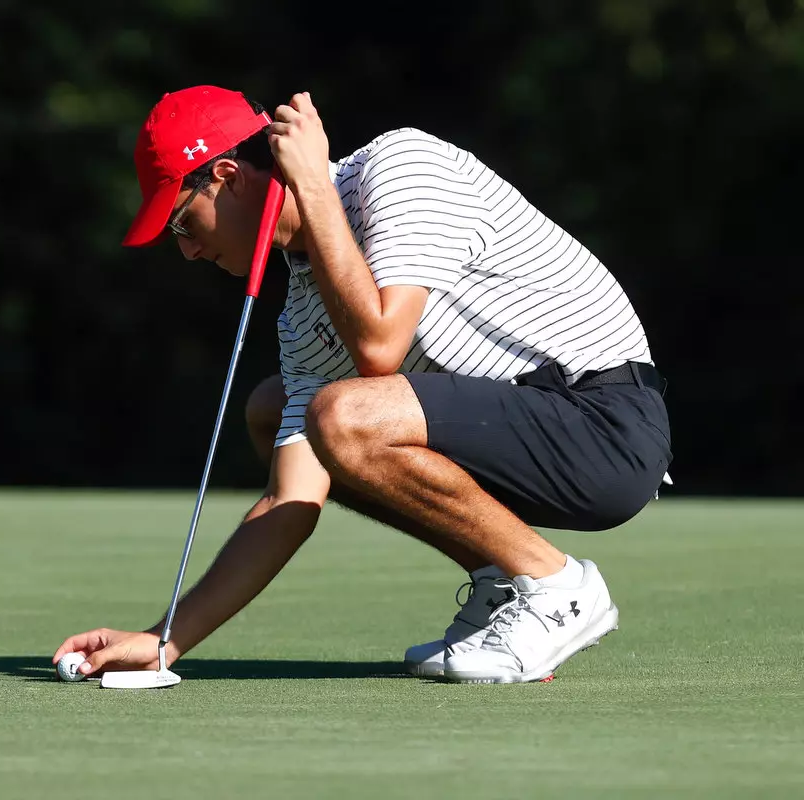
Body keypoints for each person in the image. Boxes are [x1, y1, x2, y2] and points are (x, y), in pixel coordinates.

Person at [53, 85, 672, 684]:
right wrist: (167, 639)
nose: (186, 252)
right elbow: (287, 501)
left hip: (605, 423)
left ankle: (556, 588)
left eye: (182, 224)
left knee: (341, 413)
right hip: (531, 437)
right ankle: (504, 578)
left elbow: (379, 346)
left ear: (227, 177)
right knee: (277, 411)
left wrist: (314, 184)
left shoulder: (401, 167)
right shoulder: (300, 315)